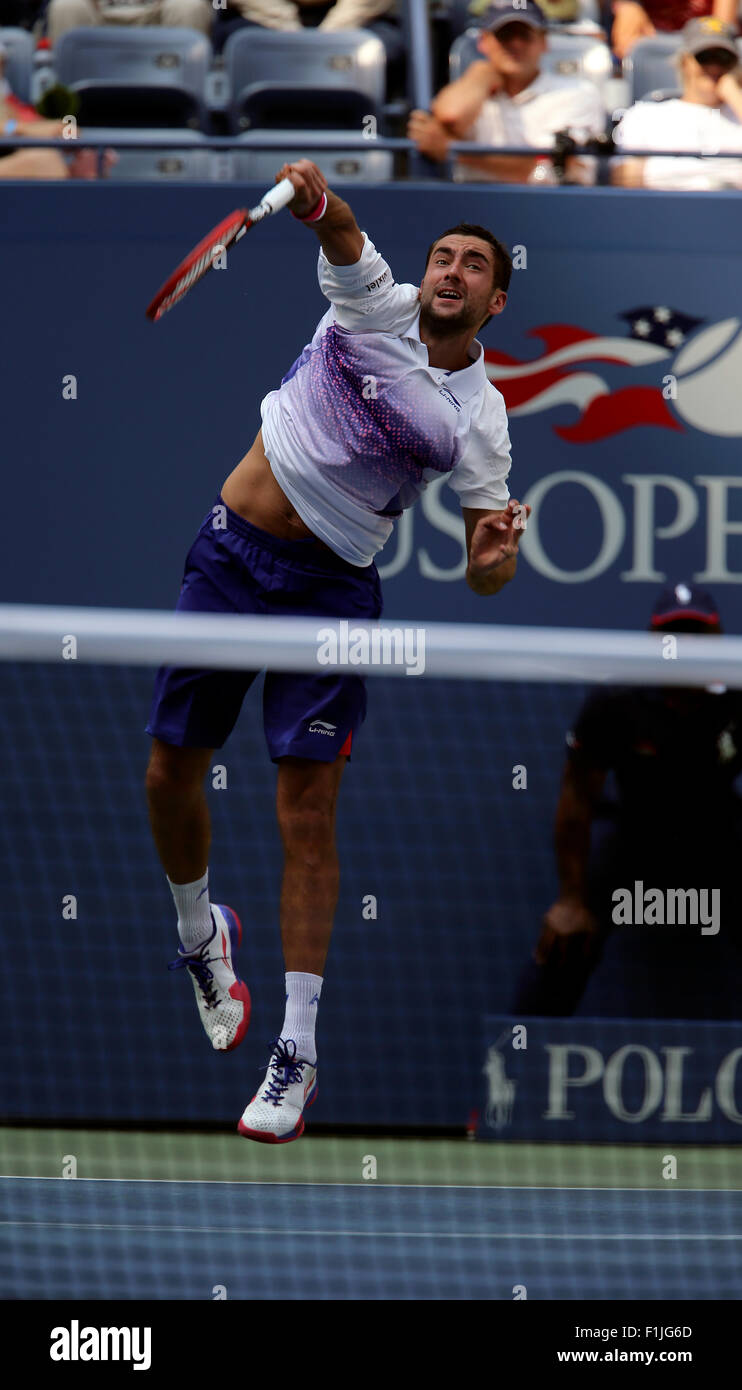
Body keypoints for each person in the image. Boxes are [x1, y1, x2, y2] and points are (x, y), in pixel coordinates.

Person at [145, 157, 529, 1144]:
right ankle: (200, 937)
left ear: (494, 297)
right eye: (442, 255)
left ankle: (297, 1048)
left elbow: (487, 570)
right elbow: (339, 225)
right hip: (229, 558)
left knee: (304, 813)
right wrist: (313, 195)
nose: (448, 270)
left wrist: (491, 559)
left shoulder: (478, 420)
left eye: (471, 264)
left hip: (332, 590)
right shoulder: (374, 302)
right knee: (165, 776)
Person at [512, 583, 742, 1019]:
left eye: (697, 632)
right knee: (563, 939)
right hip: (635, 839)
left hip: (718, 836)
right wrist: (570, 900)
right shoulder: (616, 701)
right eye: (673, 633)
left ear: (719, 639)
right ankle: (514, 1067)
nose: (685, 644)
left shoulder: (738, 695)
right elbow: (578, 796)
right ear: (654, 641)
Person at [408, 0, 606, 183]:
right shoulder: (473, 88)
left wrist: (455, 150)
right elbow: (449, 115)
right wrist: (481, 75)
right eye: (505, 35)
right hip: (472, 208)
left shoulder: (577, 93)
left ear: (544, 41)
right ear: (483, 41)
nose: (516, 44)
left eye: (525, 35)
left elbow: (547, 173)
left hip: (549, 210)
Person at [612, 16, 742, 190]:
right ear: (685, 61)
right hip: (664, 211)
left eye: (724, 58)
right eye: (704, 57)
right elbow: (624, 186)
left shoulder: (738, 113)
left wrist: (734, 95)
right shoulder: (645, 115)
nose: (714, 67)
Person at [611, 0, 737, 62]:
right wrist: (628, 7)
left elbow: (722, 31)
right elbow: (625, 44)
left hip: (704, 51)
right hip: (656, 43)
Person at [47, 0, 213, 46]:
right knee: (67, 5)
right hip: (97, 14)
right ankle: (66, 109)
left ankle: (187, 103)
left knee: (189, 5)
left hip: (158, 14)